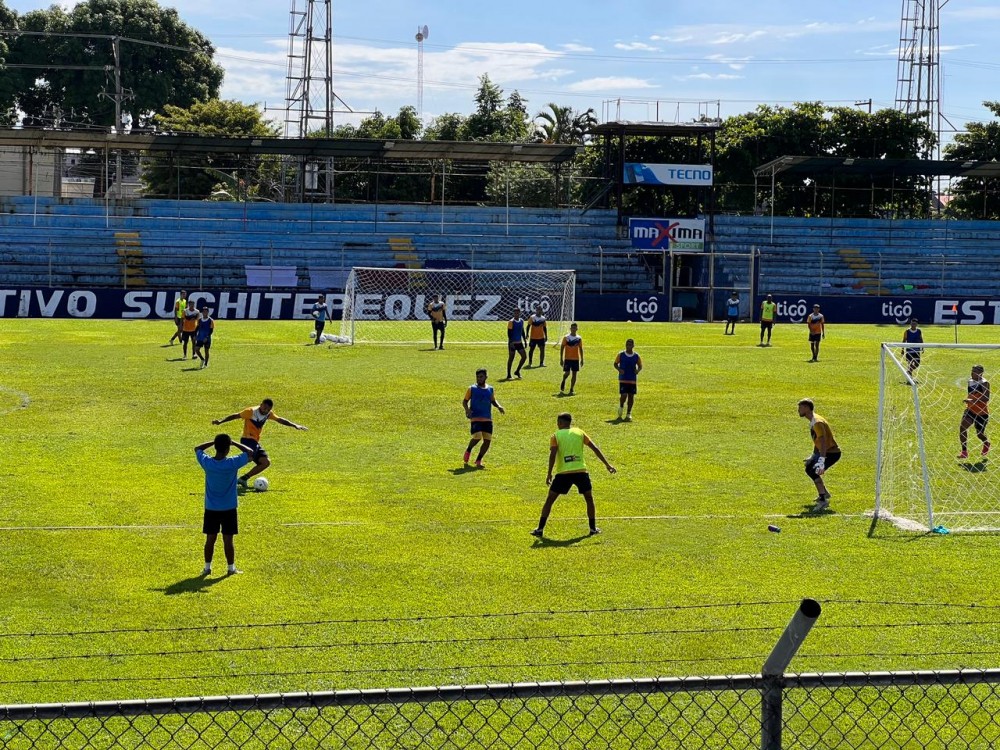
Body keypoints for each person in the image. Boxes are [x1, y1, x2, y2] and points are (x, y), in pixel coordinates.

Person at [531, 413, 616, 538]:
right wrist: (607, 465)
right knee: (589, 498)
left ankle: (539, 529)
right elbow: (595, 448)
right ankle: (593, 529)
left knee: (550, 499)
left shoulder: (556, 435)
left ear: (559, 423)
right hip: (581, 471)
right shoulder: (580, 432)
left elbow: (552, 455)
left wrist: (549, 473)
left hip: (563, 473)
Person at [212, 398, 308, 488]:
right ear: (261, 405)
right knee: (249, 457)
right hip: (247, 440)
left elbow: (280, 420)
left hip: (255, 441)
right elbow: (235, 416)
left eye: (268, 409)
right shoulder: (250, 412)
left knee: (265, 462)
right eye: (264, 408)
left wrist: (294, 425)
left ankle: (243, 478)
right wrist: (220, 421)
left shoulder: (268, 414)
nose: (266, 411)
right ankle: (226, 472)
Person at [195, 434, 254, 576]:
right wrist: (234, 442)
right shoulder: (232, 463)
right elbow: (250, 453)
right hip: (229, 508)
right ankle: (230, 568)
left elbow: (197, 448)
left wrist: (214, 441)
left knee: (210, 538)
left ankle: (207, 568)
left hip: (211, 508)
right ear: (228, 449)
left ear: (215, 447)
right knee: (228, 539)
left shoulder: (207, 463)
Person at [798, 398, 841, 512]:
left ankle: (823, 500)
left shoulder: (817, 422)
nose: (799, 410)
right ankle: (824, 493)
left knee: (813, 470)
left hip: (831, 453)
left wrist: (821, 461)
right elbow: (817, 441)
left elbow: (823, 442)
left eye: (801, 407)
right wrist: (813, 456)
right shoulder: (813, 420)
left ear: (807, 408)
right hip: (825, 452)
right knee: (809, 468)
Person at [462, 368, 505, 468]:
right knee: (477, 437)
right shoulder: (471, 388)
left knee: (487, 441)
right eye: (477, 377)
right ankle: (468, 449)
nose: (479, 379)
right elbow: (464, 401)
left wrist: (499, 406)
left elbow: (493, 400)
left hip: (487, 418)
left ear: (486, 377)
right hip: (476, 417)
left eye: (481, 377)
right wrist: (467, 410)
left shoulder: (490, 389)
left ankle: (478, 460)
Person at [958, 364, 990, 459]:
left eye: (975, 371)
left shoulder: (984, 383)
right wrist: (969, 401)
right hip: (970, 410)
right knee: (962, 428)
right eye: (972, 371)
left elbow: (986, 398)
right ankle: (964, 452)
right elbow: (971, 395)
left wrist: (973, 401)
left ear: (981, 373)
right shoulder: (970, 381)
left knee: (979, 434)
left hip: (982, 412)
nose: (972, 373)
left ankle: (986, 443)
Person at [614, 339, 643, 421]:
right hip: (623, 379)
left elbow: (640, 365)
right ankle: (621, 405)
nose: (628, 346)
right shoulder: (621, 354)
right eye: (627, 344)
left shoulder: (636, 356)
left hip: (632, 379)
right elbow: (615, 364)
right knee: (624, 395)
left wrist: (637, 370)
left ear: (633, 346)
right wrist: (619, 369)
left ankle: (628, 413)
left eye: (630, 345)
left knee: (631, 396)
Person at [560, 323, 584, 395]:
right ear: (570, 329)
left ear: (577, 329)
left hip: (576, 359)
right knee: (567, 373)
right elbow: (562, 347)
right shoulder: (566, 337)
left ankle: (571, 389)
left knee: (574, 374)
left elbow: (580, 348)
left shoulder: (579, 338)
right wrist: (561, 358)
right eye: (572, 328)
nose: (573, 329)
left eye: (575, 328)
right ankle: (564, 380)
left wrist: (582, 359)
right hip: (567, 358)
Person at [506, 309, 527, 379]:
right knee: (511, 358)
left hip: (519, 342)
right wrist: (511, 342)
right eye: (515, 313)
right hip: (512, 343)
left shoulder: (521, 321)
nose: (516, 314)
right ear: (513, 313)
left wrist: (525, 340)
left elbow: (522, 330)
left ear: (519, 313)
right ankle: (508, 374)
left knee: (524, 357)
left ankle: (517, 371)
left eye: (518, 313)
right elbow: (509, 333)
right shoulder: (511, 322)